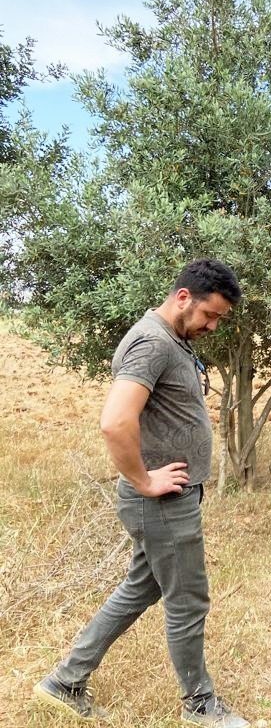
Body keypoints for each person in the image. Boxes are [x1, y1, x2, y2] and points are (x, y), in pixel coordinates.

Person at [33, 259, 248, 727]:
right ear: (184, 297)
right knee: (188, 599)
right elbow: (114, 422)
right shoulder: (152, 342)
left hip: (171, 498)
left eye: (220, 319)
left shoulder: (171, 338)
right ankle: (199, 704)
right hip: (161, 501)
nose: (213, 326)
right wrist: (144, 481)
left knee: (139, 588)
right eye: (210, 315)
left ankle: (66, 680)